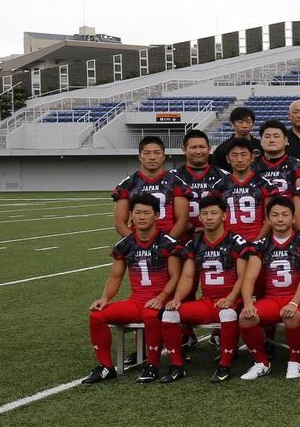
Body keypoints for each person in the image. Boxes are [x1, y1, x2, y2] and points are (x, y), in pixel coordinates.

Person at [83, 194, 184, 385]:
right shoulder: (125, 245)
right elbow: (116, 276)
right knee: (97, 315)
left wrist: (162, 297)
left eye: (147, 212)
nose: (142, 216)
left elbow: (175, 276)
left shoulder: (167, 242)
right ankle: (105, 366)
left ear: (157, 215)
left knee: (150, 315)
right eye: (137, 212)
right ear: (131, 215)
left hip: (160, 300)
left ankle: (152, 365)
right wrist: (104, 298)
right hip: (136, 300)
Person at [167, 195, 252, 383]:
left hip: (232, 300)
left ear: (224, 216)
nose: (209, 217)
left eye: (214, 213)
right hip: (207, 301)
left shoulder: (235, 241)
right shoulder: (195, 243)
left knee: (228, 314)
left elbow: (243, 276)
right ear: (200, 218)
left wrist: (231, 297)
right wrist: (177, 298)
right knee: (169, 314)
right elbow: (188, 277)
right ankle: (177, 365)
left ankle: (225, 364)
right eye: (204, 214)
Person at [237, 197, 300, 380]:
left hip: (298, 297)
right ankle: (261, 362)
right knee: (246, 316)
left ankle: (295, 360)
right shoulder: (261, 245)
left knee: (292, 315)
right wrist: (249, 303)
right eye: (275, 215)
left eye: (284, 215)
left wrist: (294, 302)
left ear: (294, 218)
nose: (280, 219)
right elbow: (249, 277)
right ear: (268, 219)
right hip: (272, 298)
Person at [113, 135, 188, 240]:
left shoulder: (176, 182)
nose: (152, 157)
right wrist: (136, 244)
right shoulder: (128, 184)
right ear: (139, 156)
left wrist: (168, 243)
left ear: (163, 157)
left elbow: (183, 220)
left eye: (157, 153)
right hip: (139, 242)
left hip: (168, 243)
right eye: (147, 153)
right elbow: (119, 223)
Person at [217, 138, 268, 241]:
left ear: (252, 157)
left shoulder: (264, 184)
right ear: (228, 158)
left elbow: (269, 219)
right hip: (228, 243)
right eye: (234, 155)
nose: (239, 159)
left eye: (244, 154)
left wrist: (257, 241)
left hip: (256, 241)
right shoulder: (219, 186)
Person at [173, 129, 225, 227]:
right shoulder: (172, 177)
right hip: (182, 237)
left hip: (215, 235)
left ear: (209, 149)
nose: (198, 151)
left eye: (202, 147)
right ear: (184, 149)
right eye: (193, 147)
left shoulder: (224, 176)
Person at [255, 120, 300, 200]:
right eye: (267, 136)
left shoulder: (297, 166)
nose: (271, 140)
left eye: (276, 136)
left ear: (286, 140)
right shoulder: (254, 167)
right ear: (261, 141)